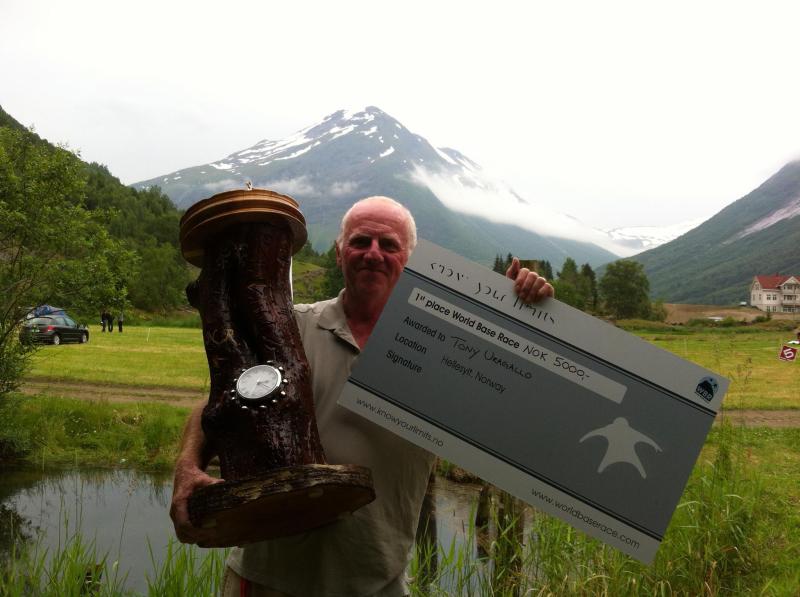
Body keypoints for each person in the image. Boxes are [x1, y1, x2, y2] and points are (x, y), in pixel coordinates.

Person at [169, 196, 554, 597]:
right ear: (339, 253)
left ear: (411, 261)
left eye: (389, 245)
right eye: (360, 241)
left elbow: (520, 409)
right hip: (266, 578)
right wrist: (187, 465)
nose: (373, 253)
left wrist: (523, 315)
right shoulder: (288, 326)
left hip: (377, 582)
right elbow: (219, 402)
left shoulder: (445, 353)